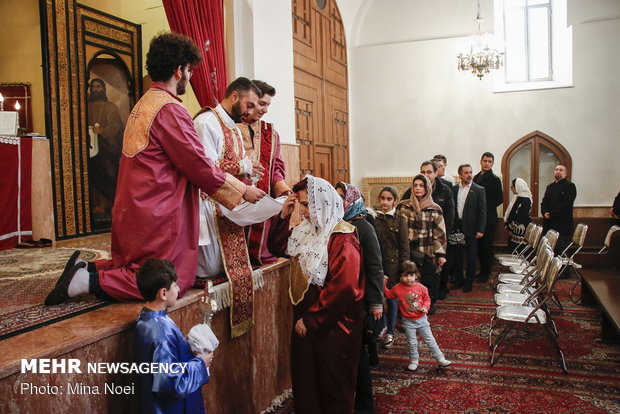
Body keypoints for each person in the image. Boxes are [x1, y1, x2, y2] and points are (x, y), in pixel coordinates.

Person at [44, 33, 264, 306]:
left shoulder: (145, 102)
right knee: (169, 283)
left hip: (137, 207)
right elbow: (198, 165)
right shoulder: (170, 109)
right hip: (158, 211)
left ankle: (89, 269)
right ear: (178, 70)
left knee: (137, 264)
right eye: (190, 70)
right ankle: (88, 281)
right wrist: (243, 191)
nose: (190, 76)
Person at [268, 176, 365, 414]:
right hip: (307, 318)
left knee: (331, 382)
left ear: (321, 202)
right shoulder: (307, 231)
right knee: (307, 379)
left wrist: (313, 319)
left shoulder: (342, 237)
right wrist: (283, 215)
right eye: (300, 205)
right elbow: (278, 247)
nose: (302, 212)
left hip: (332, 324)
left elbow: (345, 287)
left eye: (305, 204)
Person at [193, 77, 267, 337]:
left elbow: (237, 161)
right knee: (210, 267)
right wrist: (242, 170)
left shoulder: (234, 128)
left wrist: (249, 169)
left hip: (228, 206)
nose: (249, 112)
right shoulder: (206, 122)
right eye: (248, 105)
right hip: (207, 204)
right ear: (234, 96)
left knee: (226, 267)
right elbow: (203, 169)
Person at [134, 258, 213, 414]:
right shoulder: (162, 331)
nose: (178, 289)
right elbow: (170, 384)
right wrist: (200, 363)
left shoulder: (146, 320)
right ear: (163, 293)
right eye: (175, 285)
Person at [335, 182, 383, 414]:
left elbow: (375, 267)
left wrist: (375, 302)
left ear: (353, 198)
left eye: (342, 196)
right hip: (346, 299)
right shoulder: (338, 224)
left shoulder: (363, 226)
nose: (339, 200)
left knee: (360, 354)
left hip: (362, 299)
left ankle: (365, 406)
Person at [237, 80, 292, 266]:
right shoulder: (229, 127)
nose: (265, 110)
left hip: (261, 200)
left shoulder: (270, 132)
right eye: (262, 103)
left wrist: (283, 189)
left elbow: (276, 167)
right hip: (234, 197)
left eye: (268, 105)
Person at [383, 260, 451, 371]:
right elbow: (389, 295)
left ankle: (440, 358)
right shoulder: (397, 288)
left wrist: (425, 307)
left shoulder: (421, 288)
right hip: (408, 321)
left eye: (411, 275)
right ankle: (414, 360)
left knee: (430, 339)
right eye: (405, 275)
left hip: (422, 320)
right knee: (411, 342)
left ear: (416, 275)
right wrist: (383, 285)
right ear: (400, 276)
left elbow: (427, 299)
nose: (409, 278)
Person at [397, 174, 447, 314]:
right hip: (409, 251)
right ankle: (409, 309)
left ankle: (426, 306)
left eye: (421, 185)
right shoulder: (403, 206)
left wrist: (441, 254)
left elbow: (440, 233)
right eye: (415, 185)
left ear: (427, 188)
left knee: (427, 282)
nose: (418, 188)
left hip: (428, 251)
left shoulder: (434, 208)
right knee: (409, 280)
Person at [373, 186, 409, 348]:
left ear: (394, 201)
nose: (385, 202)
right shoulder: (374, 218)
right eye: (383, 198)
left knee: (392, 299)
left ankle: (390, 332)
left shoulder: (400, 220)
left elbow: (404, 247)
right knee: (378, 298)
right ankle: (381, 327)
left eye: (389, 199)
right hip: (378, 264)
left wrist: (404, 269)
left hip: (394, 266)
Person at [87, 78, 124, 222]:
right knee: (94, 178)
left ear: (103, 89)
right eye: (93, 87)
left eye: (98, 86)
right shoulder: (86, 107)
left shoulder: (110, 107)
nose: (95, 89)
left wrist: (101, 131)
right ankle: (97, 207)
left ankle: (112, 207)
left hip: (107, 149)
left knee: (109, 177)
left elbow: (115, 127)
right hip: (91, 149)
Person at [451, 164, 486, 293]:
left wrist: (480, 229)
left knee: (471, 257)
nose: (469, 175)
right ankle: (458, 280)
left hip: (472, 229)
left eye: (470, 172)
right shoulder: (453, 189)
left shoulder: (479, 190)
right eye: (466, 173)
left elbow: (482, 211)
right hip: (457, 227)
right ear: (460, 175)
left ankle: (468, 282)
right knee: (457, 256)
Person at [541, 164, 577, 278]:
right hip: (549, 223)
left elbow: (566, 205)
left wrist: (551, 214)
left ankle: (563, 273)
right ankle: (550, 271)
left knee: (561, 249)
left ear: (565, 173)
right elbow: (544, 202)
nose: (558, 172)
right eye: (556, 170)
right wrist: (544, 212)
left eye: (561, 170)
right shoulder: (550, 187)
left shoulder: (570, 186)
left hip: (562, 224)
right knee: (550, 249)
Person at [473, 152, 503, 283]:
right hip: (476, 219)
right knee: (478, 246)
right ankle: (480, 271)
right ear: (481, 161)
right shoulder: (475, 177)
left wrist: (484, 206)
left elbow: (499, 199)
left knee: (486, 246)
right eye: (485, 161)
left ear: (492, 163)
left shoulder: (495, 179)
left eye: (489, 161)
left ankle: (486, 272)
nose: (487, 163)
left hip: (489, 218)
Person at [504, 178, 532, 251]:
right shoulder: (518, 198)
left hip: (520, 230)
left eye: (512, 187)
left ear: (518, 186)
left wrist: (509, 228)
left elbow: (520, 217)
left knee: (518, 251)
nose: (511, 189)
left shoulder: (525, 200)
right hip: (514, 230)